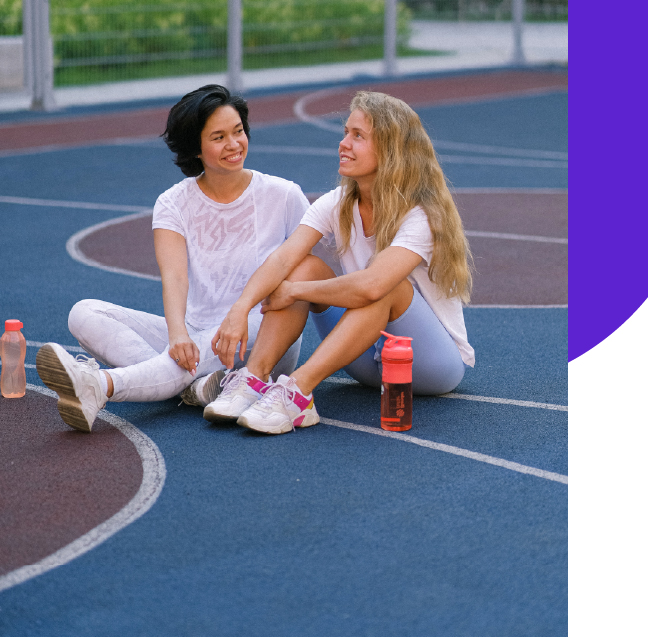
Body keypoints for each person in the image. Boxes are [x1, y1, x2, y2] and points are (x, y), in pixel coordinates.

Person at [36, 84, 310, 432]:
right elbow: (175, 277)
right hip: (198, 330)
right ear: (195, 147)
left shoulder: (284, 196)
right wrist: (178, 332)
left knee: (218, 338)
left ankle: (102, 386)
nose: (234, 144)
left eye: (238, 131)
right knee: (85, 313)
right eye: (219, 137)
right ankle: (196, 388)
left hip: (262, 333)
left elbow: (313, 267)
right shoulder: (172, 202)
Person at [202, 90, 475, 435]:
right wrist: (241, 308)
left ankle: (298, 393)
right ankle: (253, 378)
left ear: (390, 150)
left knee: (385, 287)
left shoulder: (421, 215)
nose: (343, 143)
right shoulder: (338, 202)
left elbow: (373, 285)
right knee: (303, 265)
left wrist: (294, 291)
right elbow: (284, 257)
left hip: (429, 364)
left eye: (358, 135)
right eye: (346, 132)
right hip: (366, 359)